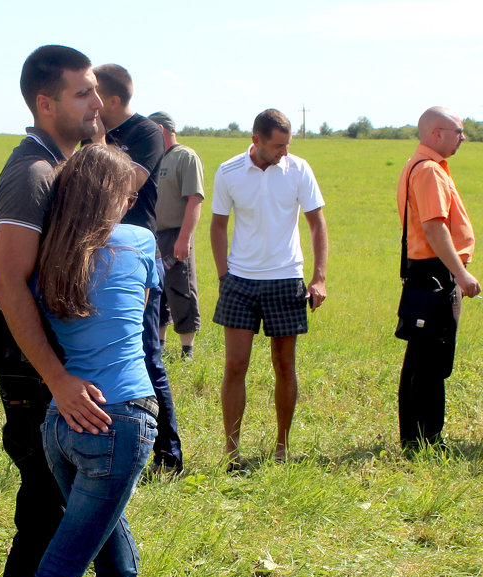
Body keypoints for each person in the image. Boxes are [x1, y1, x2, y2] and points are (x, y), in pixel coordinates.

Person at [0, 144, 209, 577]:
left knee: (115, 559)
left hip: (60, 427)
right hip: (120, 423)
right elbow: (151, 348)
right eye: (129, 195)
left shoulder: (43, 259)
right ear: (114, 200)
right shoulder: (138, 246)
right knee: (58, 576)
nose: (135, 202)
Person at [0, 45, 125, 577]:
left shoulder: (62, 165)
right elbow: (8, 285)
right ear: (46, 103)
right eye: (84, 94)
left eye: (98, 92)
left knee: (59, 518)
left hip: (56, 375)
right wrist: (57, 378)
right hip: (35, 379)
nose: (99, 103)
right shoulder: (30, 173)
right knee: (43, 522)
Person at [209, 109, 328, 469]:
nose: (284, 152)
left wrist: (319, 277)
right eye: (278, 145)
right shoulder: (229, 172)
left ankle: (282, 448)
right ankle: (232, 453)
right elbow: (217, 226)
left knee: (284, 365)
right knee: (235, 365)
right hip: (240, 282)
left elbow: (317, 224)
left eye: (287, 145)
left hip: (286, 278)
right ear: (256, 139)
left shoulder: (298, 169)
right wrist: (223, 274)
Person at [93, 64, 183, 477]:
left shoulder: (145, 132)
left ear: (112, 100)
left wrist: (95, 142)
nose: (89, 103)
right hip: (99, 254)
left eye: (94, 95)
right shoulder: (95, 134)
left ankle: (168, 456)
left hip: (135, 257)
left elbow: (122, 184)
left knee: (146, 354)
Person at [395, 107, 483, 450]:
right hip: (435, 272)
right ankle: (427, 439)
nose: (463, 138)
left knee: (420, 357)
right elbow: (434, 226)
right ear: (436, 133)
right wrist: (459, 273)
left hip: (424, 271)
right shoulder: (429, 171)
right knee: (433, 358)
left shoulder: (418, 165)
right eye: (458, 131)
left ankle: (414, 437)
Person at [148, 111, 204, 361]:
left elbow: (195, 199)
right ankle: (159, 342)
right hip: (153, 235)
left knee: (181, 289)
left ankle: (187, 350)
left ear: (160, 129)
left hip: (175, 233)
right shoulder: (155, 158)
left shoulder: (186, 157)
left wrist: (185, 238)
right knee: (156, 290)